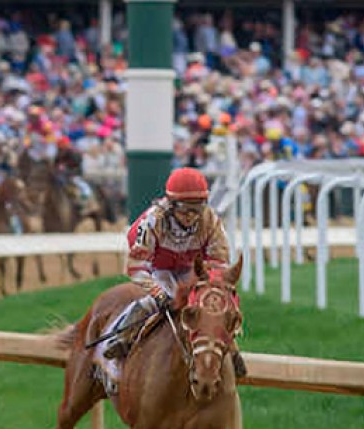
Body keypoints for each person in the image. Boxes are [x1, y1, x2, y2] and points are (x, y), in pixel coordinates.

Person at [95, 167, 246, 394]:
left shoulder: (210, 220)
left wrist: (211, 287)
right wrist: (157, 291)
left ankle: (231, 350)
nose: (192, 217)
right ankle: (117, 342)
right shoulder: (153, 221)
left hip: (193, 269)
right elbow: (135, 267)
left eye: (197, 210)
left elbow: (218, 262)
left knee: (215, 304)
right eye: (186, 211)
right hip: (158, 268)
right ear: (171, 205)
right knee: (154, 302)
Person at [53, 136, 93, 211]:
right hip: (62, 175)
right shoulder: (59, 153)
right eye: (60, 145)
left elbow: (76, 163)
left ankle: (82, 200)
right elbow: (56, 163)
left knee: (79, 184)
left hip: (74, 173)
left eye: (62, 145)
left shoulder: (74, 152)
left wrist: (65, 167)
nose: (61, 147)